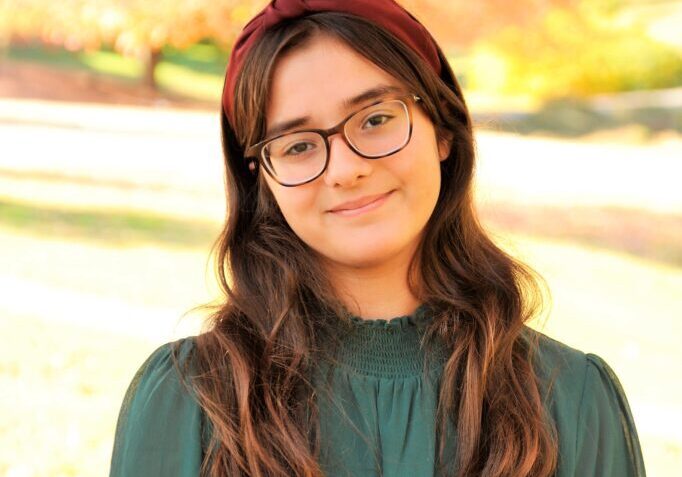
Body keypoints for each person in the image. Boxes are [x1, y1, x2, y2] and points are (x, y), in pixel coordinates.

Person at [109, 1, 646, 476]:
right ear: (262, 179)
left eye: (376, 119)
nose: (344, 169)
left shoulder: (572, 400)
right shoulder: (190, 402)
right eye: (297, 146)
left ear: (441, 128)